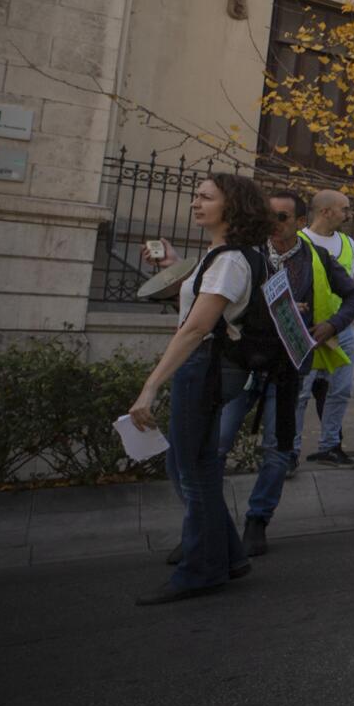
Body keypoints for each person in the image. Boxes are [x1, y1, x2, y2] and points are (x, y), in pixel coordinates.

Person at [129, 173, 275, 605]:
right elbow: (195, 301)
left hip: (206, 366)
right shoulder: (223, 255)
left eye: (206, 197)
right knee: (192, 464)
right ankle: (227, 556)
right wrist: (173, 264)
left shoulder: (230, 259)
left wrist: (149, 388)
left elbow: (195, 327)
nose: (196, 203)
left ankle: (201, 570)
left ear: (232, 207)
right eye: (195, 196)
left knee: (190, 469)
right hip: (210, 366)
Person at [216, 188, 354, 557]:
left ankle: (257, 521)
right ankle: (208, 523)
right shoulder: (246, 256)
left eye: (281, 217)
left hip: (287, 368)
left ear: (299, 223)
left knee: (277, 449)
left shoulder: (314, 258)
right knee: (215, 444)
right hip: (243, 366)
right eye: (269, 215)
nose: (272, 223)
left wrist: (331, 325)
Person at [298, 188, 354, 469]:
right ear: (326, 211)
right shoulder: (298, 242)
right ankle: (290, 450)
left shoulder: (349, 244)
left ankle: (330, 446)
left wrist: (338, 322)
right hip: (307, 329)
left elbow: (351, 289)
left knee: (341, 390)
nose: (349, 214)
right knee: (300, 393)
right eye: (345, 208)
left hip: (342, 329)